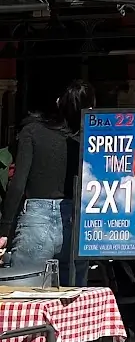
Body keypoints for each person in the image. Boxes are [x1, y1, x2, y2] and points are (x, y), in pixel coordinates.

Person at [0, 79, 93, 283]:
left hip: (35, 220)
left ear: (58, 102)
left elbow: (18, 183)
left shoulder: (32, 132)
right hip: (77, 224)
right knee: (74, 304)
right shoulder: (88, 140)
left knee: (23, 297)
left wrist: (4, 228)